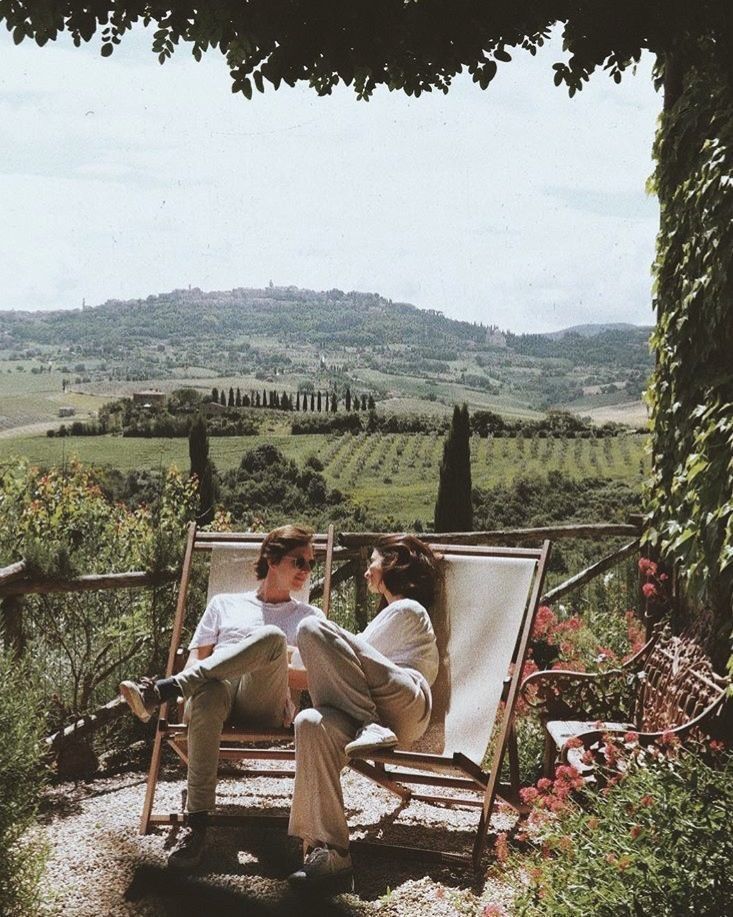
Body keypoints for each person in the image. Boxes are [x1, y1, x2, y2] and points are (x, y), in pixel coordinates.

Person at [119, 523, 322, 869]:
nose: (305, 571)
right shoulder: (223, 604)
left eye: (310, 564)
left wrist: (270, 661)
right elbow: (198, 659)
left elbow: (311, 680)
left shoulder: (309, 618)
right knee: (211, 691)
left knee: (271, 638)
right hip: (215, 699)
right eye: (298, 561)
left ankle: (162, 691)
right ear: (272, 559)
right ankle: (197, 826)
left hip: (265, 703)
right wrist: (219, 673)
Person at [287, 534, 440, 889]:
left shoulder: (408, 609)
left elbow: (344, 655)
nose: (367, 573)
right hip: (368, 713)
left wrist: (292, 657)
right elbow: (336, 663)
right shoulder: (393, 613)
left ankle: (370, 723)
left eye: (372, 563)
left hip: (405, 703)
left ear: (392, 566)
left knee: (311, 627)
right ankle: (333, 852)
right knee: (309, 721)